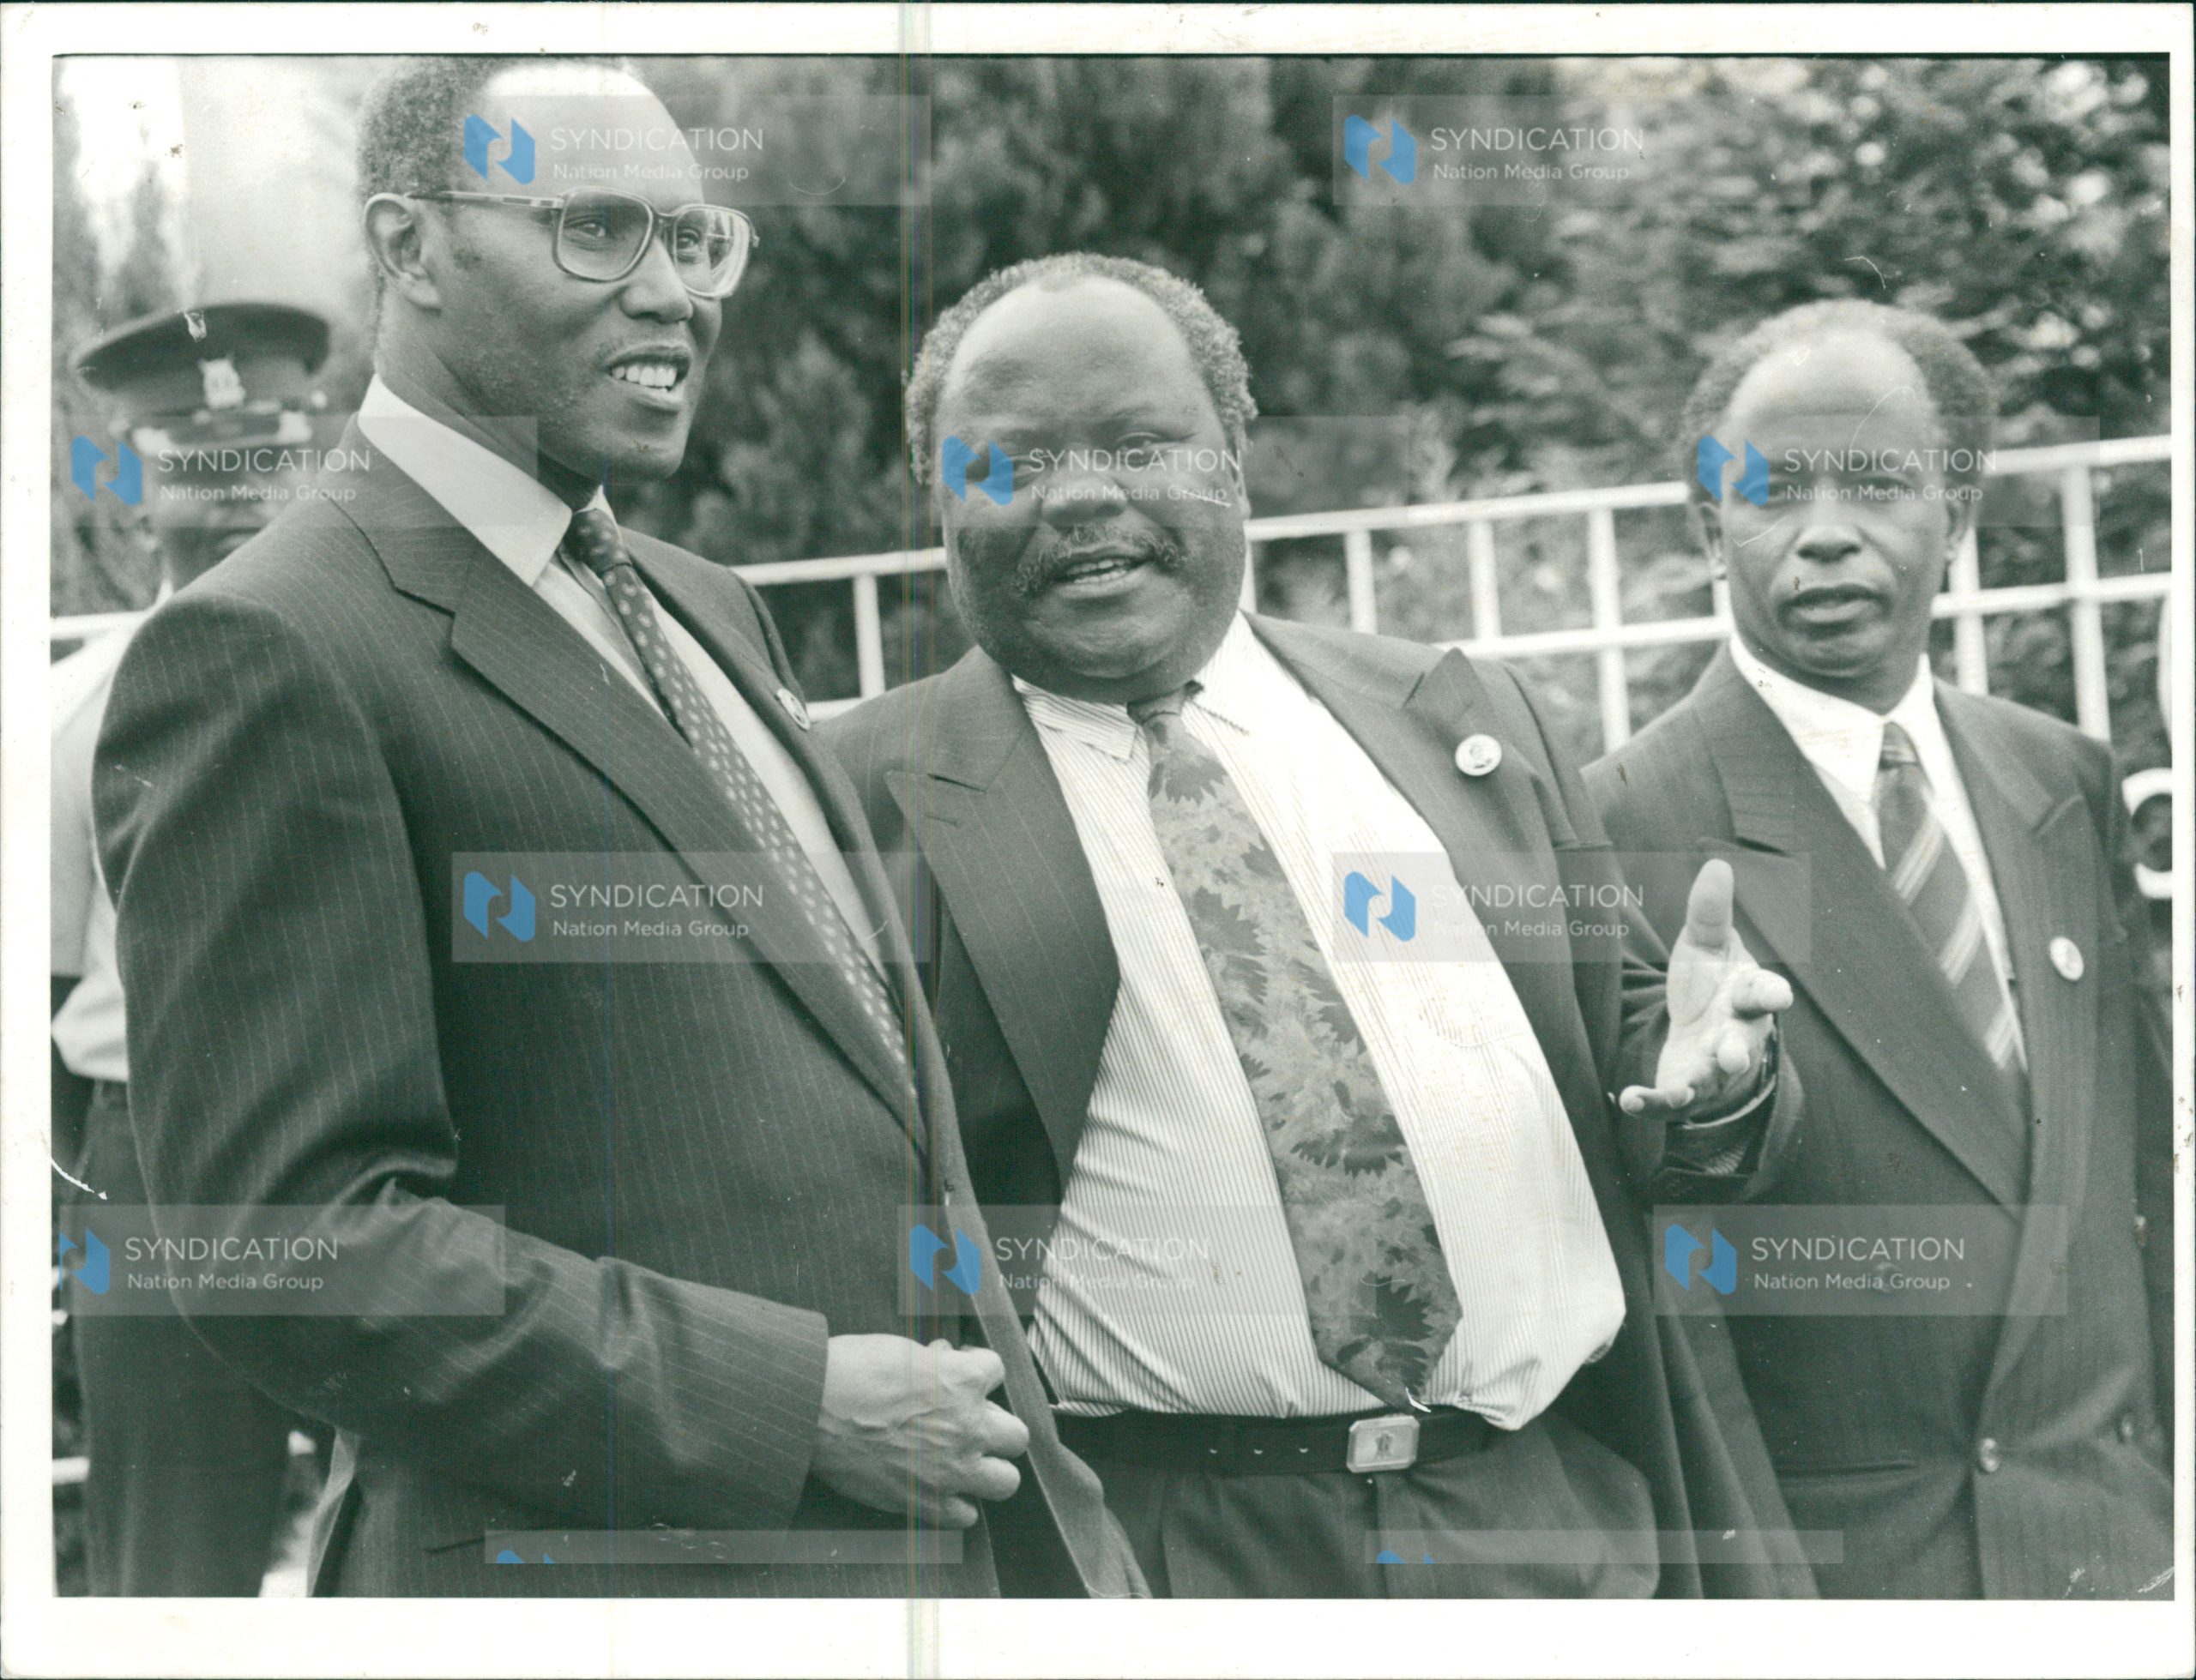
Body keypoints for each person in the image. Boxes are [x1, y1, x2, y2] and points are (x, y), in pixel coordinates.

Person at [93, 57, 1137, 1599]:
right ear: (408, 248)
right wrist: (789, 1409)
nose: (673, 296)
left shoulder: (704, 605)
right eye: (595, 229)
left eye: (694, 239)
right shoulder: (273, 647)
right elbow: (291, 1243)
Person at [826, 252, 1815, 1599]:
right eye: (1012, 461)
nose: (1083, 496)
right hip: (1175, 1555)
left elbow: (1641, 1052)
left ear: (1234, 454)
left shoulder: (1454, 720)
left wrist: (1715, 1079)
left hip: (1548, 1527)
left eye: (1140, 445)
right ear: (939, 495)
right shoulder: (853, 804)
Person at [1584, 299, 2172, 1599]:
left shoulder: (2057, 775)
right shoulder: (1622, 823)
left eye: (1880, 484)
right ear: (1709, 527)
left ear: (1957, 516)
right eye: (1775, 491)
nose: (1828, 533)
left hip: (2118, 1554)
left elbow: (2131, 1188)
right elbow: (1656, 1251)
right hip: (1859, 1581)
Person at [54, 301, 335, 1595]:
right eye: (194, 465)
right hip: (155, 1158)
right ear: (129, 491)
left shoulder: (389, 670)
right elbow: (50, 983)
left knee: (422, 1530)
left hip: (377, 1152)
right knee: (171, 1569)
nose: (236, 497)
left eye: (266, 458)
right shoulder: (75, 709)